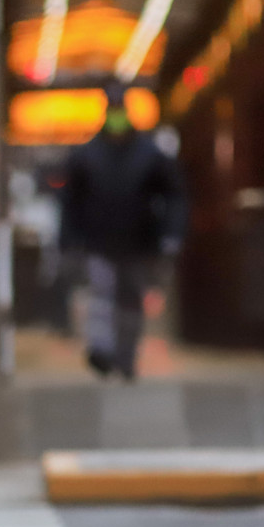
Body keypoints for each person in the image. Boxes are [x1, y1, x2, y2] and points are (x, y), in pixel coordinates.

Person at [59, 82, 188, 380]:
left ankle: (125, 357)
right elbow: (70, 202)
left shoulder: (149, 154)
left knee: (129, 302)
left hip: (139, 241)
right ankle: (103, 351)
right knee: (102, 298)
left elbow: (174, 194)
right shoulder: (87, 155)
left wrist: (170, 234)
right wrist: (69, 241)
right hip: (98, 241)